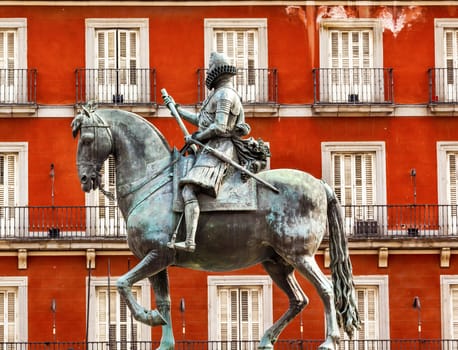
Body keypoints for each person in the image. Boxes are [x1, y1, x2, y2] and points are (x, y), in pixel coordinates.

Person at [163, 52, 251, 252]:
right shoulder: (220, 94)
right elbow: (203, 122)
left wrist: (197, 138)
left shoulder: (225, 95)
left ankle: (189, 241)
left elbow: (219, 127)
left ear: (217, 72)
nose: (208, 70)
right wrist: (176, 109)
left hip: (219, 150)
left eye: (210, 67)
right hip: (211, 149)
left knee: (188, 189)